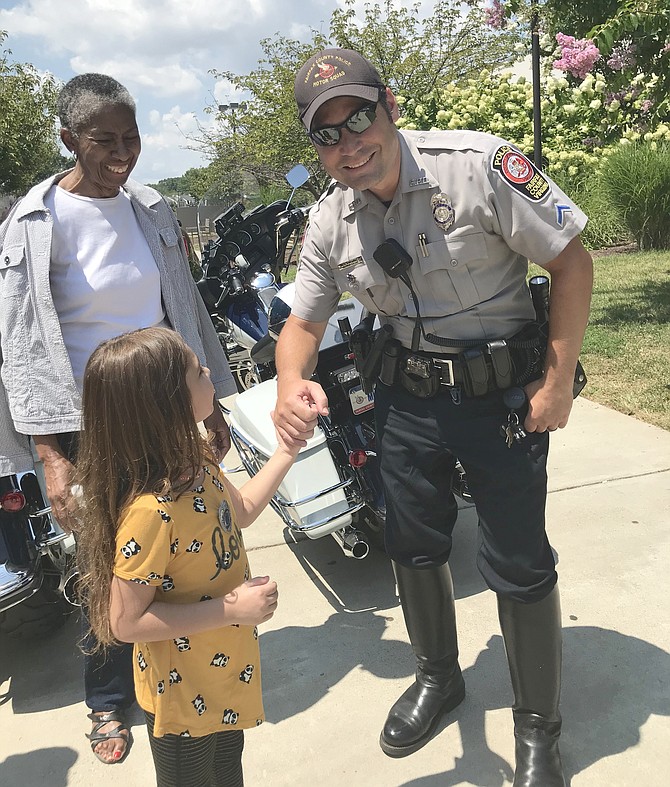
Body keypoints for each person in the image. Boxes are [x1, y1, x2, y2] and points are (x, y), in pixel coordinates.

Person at [273, 48, 593, 786]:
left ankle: (538, 724)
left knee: (517, 560)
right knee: (413, 544)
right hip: (407, 401)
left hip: (502, 398)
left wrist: (558, 383)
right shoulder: (329, 221)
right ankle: (438, 676)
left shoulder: (478, 166)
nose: (349, 143)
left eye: (359, 117)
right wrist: (292, 381)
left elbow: (572, 262)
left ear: (389, 104)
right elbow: (300, 323)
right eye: (327, 134)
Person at [0, 73, 236, 764]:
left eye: (131, 137)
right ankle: (106, 695)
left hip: (165, 405)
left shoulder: (151, 210)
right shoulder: (31, 225)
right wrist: (50, 452)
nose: (122, 153)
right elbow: (20, 345)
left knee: (177, 540)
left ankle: (176, 661)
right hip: (86, 421)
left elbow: (182, 307)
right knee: (105, 560)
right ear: (68, 138)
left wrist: (211, 399)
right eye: (104, 140)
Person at [73, 326, 297, 787]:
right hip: (182, 692)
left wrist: (287, 451)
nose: (209, 370)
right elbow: (125, 623)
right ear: (167, 401)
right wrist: (232, 609)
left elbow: (244, 510)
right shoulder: (149, 512)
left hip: (227, 670)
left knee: (227, 772)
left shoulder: (197, 462)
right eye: (197, 371)